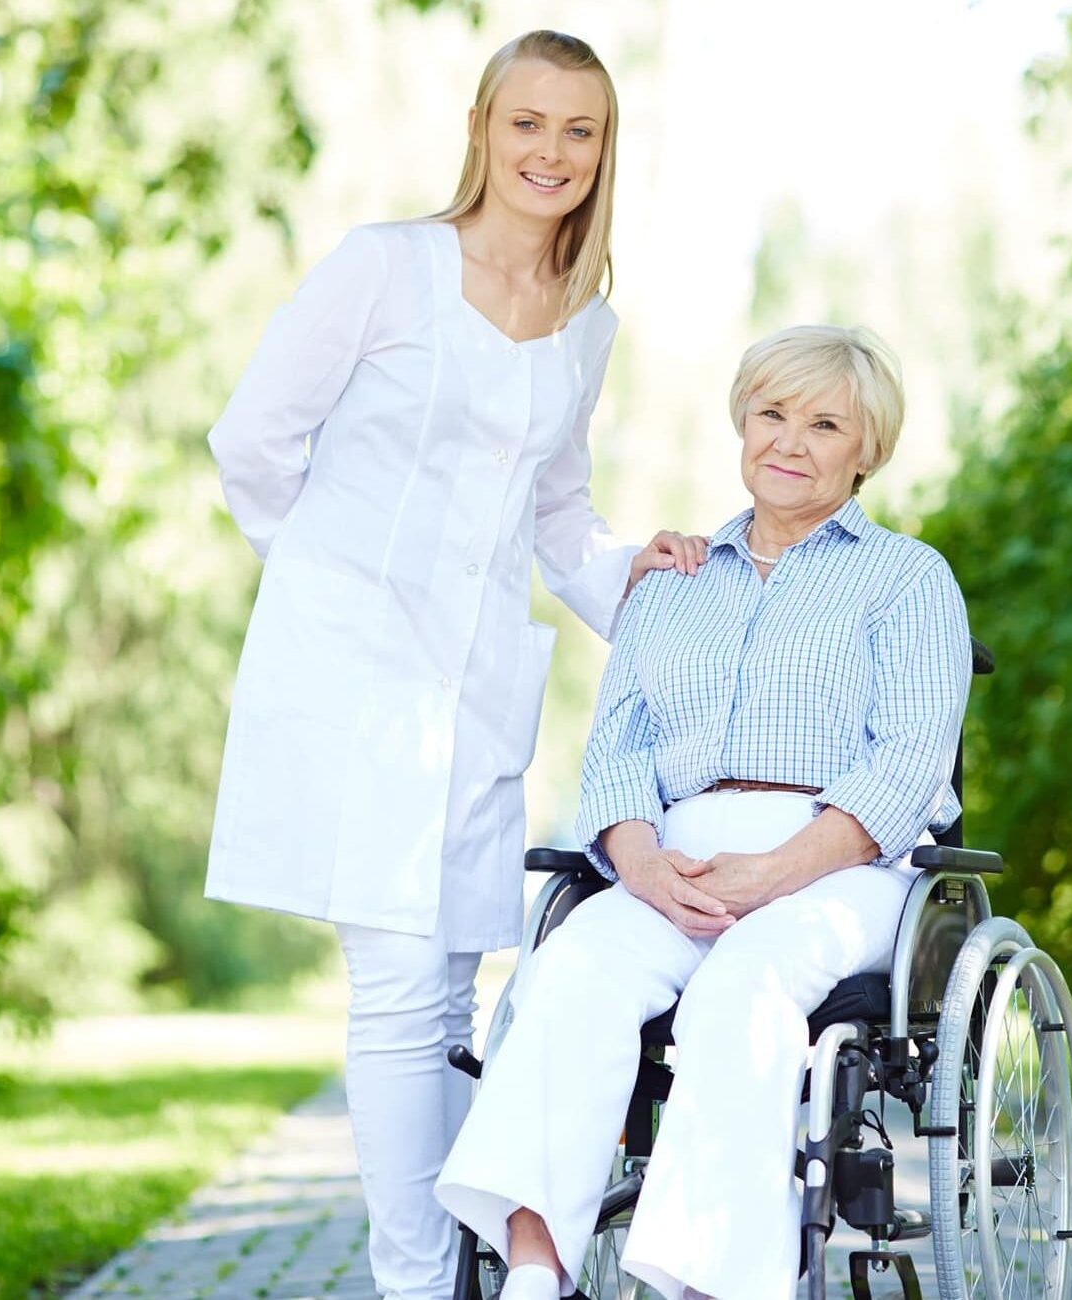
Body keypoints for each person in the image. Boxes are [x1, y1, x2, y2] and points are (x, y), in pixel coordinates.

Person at [203, 30, 704, 1300]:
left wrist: (646, 586)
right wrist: (329, 587)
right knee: (389, 986)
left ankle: (450, 1271)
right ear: (483, 128)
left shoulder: (583, 323)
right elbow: (254, 440)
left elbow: (556, 521)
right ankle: (415, 1283)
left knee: (448, 996)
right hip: (353, 680)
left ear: (602, 153)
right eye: (527, 123)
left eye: (578, 131)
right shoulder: (387, 269)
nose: (551, 152)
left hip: (478, 689)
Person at [435, 325, 973, 1300]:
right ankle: (531, 1268)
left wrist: (772, 873)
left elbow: (903, 766)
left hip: (841, 868)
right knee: (572, 974)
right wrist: (638, 865)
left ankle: (701, 1285)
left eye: (823, 423)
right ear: (741, 422)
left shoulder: (907, 580)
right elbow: (616, 756)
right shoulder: (672, 582)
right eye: (771, 413)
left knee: (744, 992)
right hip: (671, 860)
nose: (790, 440)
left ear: (866, 449)